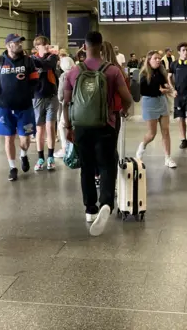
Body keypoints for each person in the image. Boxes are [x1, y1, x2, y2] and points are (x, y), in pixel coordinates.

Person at [62, 31, 132, 236]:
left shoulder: (74, 72)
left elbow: (66, 103)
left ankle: (89, 209)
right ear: (101, 47)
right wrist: (123, 110)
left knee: (87, 166)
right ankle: (106, 203)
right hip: (106, 125)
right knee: (107, 164)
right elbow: (127, 98)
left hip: (81, 126)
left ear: (84, 47)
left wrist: (68, 127)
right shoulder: (112, 71)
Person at [0, 34, 39, 182]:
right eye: (17, 43)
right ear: (8, 45)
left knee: (25, 138)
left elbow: (35, 79)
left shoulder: (28, 61)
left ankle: (23, 155)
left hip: (25, 107)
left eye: (20, 42)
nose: (20, 45)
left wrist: (28, 92)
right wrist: (0, 95)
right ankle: (12, 167)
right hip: (5, 108)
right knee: (8, 138)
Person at [136, 50, 177, 168]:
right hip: (149, 103)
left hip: (161, 102)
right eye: (155, 58)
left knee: (166, 131)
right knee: (151, 134)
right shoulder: (143, 74)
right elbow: (143, 91)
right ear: (149, 60)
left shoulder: (161, 72)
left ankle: (168, 158)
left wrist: (170, 91)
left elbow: (164, 86)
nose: (158, 60)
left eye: (159, 58)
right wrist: (159, 90)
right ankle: (142, 146)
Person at [32, 36, 59, 172]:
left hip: (52, 96)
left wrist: (40, 59)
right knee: (40, 129)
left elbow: (48, 65)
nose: (47, 46)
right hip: (37, 97)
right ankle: (40, 157)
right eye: (44, 45)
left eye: (48, 44)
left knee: (50, 127)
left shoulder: (52, 57)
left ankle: (50, 157)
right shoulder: (32, 60)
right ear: (37, 47)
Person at [55, 55, 75, 158]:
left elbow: (61, 95)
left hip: (68, 105)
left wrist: (59, 99)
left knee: (62, 126)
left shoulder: (64, 76)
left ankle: (64, 149)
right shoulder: (78, 72)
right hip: (79, 105)